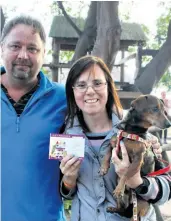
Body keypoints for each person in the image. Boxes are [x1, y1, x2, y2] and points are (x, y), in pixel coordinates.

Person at [59, 55, 171, 221]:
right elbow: (64, 192)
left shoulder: (142, 134)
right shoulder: (66, 136)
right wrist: (68, 180)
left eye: (97, 83)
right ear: (72, 90)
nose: (90, 91)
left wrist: (139, 183)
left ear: (108, 87)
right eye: (81, 85)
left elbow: (167, 187)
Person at [1, 15, 67, 221]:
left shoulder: (65, 99)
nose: (23, 55)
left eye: (32, 48)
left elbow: (101, 130)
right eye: (15, 46)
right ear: (2, 47)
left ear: (44, 53)